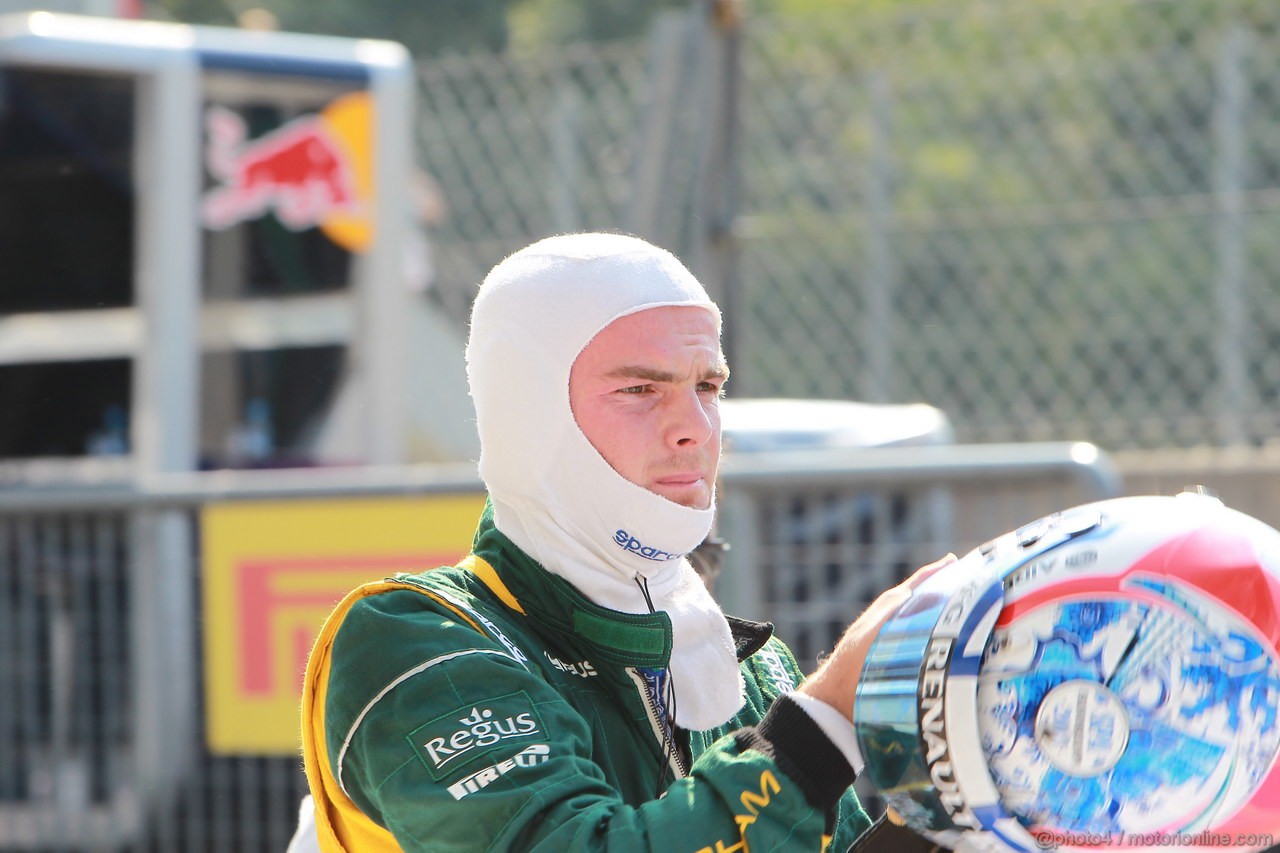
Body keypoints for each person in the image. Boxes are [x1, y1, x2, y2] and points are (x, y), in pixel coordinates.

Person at [299, 232, 950, 851]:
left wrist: (968, 792)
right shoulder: (415, 639)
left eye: (707, 386)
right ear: (529, 412)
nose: (695, 427)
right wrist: (823, 724)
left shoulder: (745, 659)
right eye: (640, 389)